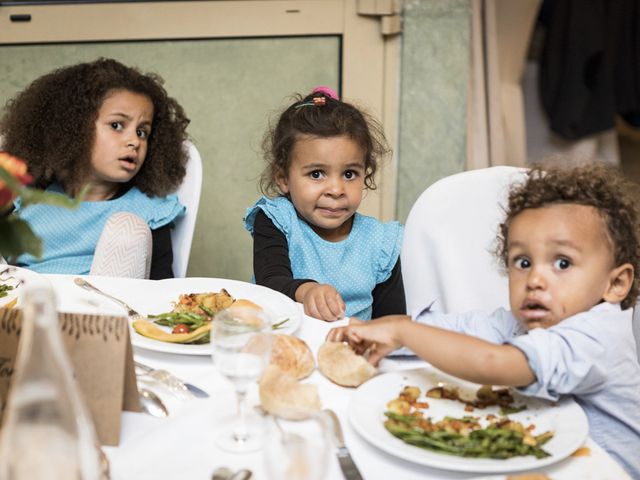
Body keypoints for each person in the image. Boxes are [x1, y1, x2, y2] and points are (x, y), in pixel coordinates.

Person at [328, 163, 640, 478]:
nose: (534, 279)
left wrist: (404, 332)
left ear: (615, 284)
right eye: (523, 261)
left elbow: (495, 360)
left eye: (562, 262)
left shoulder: (598, 335)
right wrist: (385, 333)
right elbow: (464, 329)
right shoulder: (531, 320)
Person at [0, 58, 190, 279]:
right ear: (73, 128)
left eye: (142, 132)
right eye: (116, 125)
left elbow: (161, 293)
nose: (134, 141)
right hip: (33, 307)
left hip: (110, 309)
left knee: (126, 228)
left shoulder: (148, 212)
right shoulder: (28, 202)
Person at [244, 86, 405, 321]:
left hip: (351, 353)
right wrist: (307, 291)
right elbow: (270, 281)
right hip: (284, 347)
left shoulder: (381, 243)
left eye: (349, 174)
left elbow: (393, 321)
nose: (336, 190)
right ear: (283, 178)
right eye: (317, 174)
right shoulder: (276, 219)